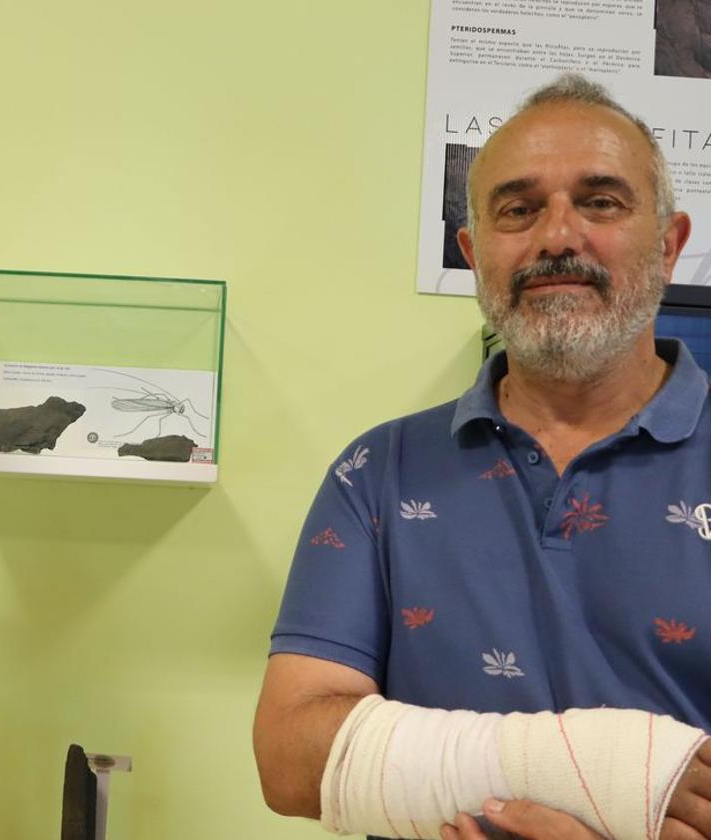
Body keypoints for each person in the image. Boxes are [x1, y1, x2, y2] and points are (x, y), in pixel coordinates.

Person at [254, 73, 711, 840]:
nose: (557, 237)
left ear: (668, 245)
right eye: (518, 210)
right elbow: (290, 760)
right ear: (472, 253)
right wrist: (582, 773)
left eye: (600, 201)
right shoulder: (376, 474)